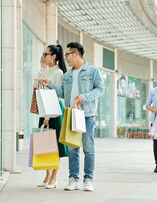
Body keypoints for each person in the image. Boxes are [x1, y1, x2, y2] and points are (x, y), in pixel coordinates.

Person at [37, 42, 104, 192]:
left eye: (67, 55)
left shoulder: (92, 71)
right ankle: (73, 179)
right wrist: (50, 84)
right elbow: (62, 93)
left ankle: (88, 179)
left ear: (76, 54)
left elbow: (100, 89)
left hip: (86, 115)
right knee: (73, 149)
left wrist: (84, 97)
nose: (65, 58)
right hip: (70, 114)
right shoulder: (67, 75)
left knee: (88, 148)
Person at [33, 44, 69, 189]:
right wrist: (41, 68)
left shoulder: (59, 72)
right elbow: (36, 87)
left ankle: (54, 177)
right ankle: (47, 175)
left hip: (54, 110)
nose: (43, 56)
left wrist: (48, 116)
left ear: (53, 56)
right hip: (44, 108)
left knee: (55, 144)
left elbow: (57, 95)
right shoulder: (46, 70)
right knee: (45, 142)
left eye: (45, 54)